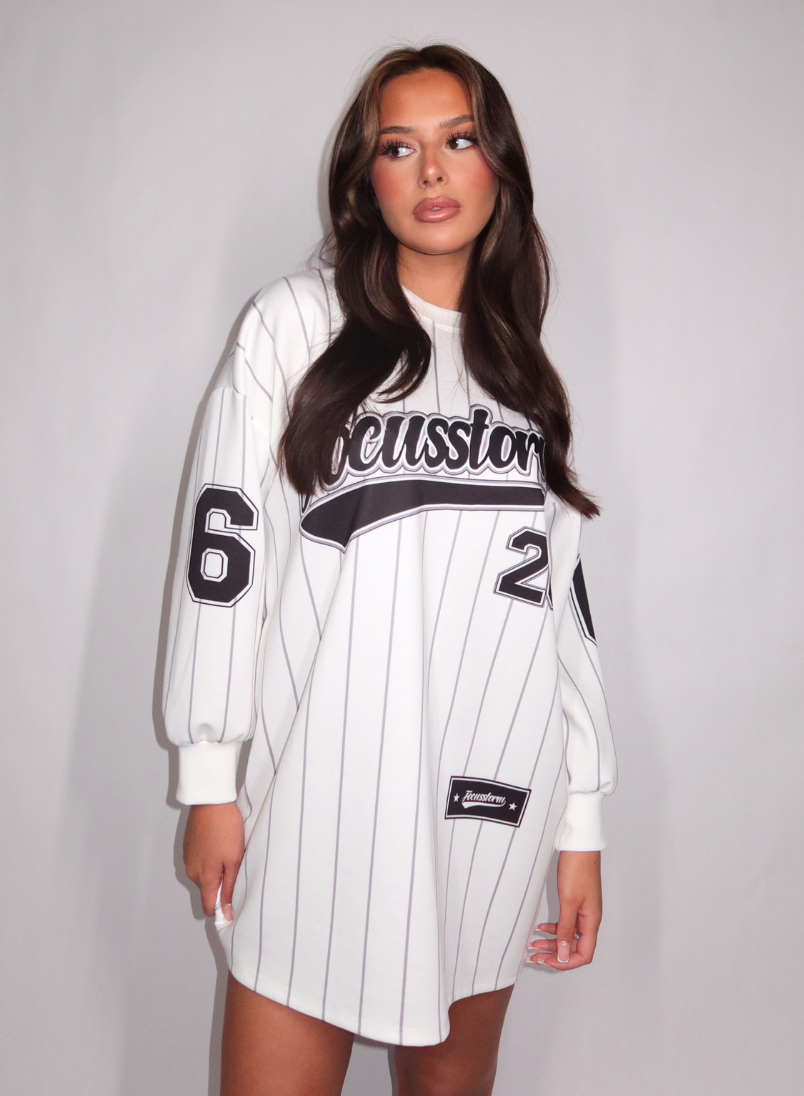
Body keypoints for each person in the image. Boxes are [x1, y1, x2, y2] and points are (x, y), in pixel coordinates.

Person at [163, 43, 617, 1096]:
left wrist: (581, 824)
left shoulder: (523, 375)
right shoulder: (293, 325)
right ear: (364, 179)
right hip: (319, 793)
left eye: (459, 140)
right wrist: (209, 779)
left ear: (499, 166)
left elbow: (561, 610)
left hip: (489, 804)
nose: (432, 170)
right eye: (398, 148)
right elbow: (223, 551)